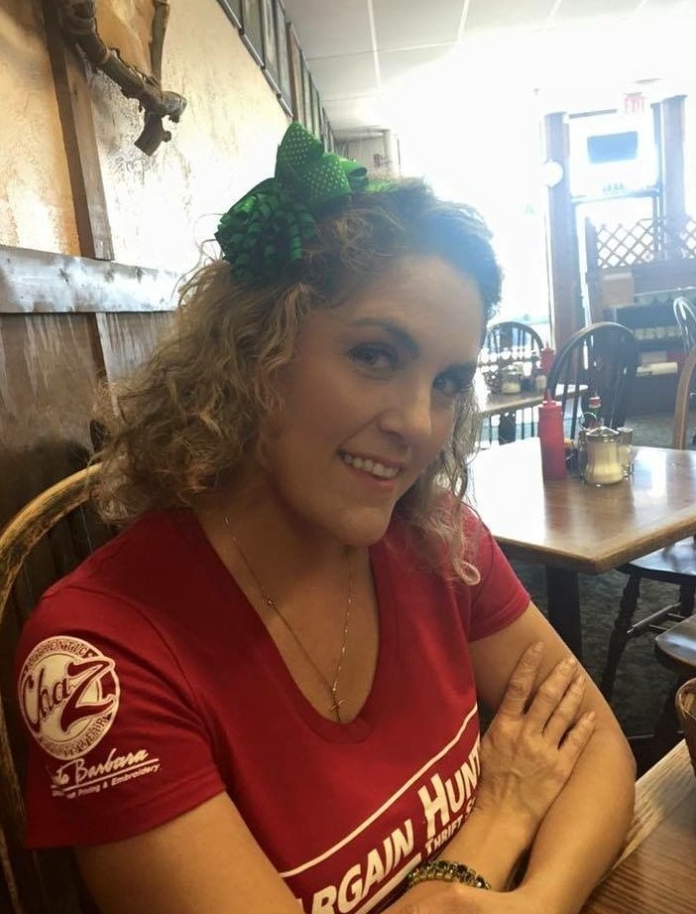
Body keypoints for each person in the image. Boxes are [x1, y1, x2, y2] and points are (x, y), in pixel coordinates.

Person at [15, 123, 635, 914]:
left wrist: (540, 903)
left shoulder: (437, 535)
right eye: (375, 356)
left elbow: (596, 744)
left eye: (447, 383)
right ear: (253, 352)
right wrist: (498, 820)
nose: (418, 424)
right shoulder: (100, 656)